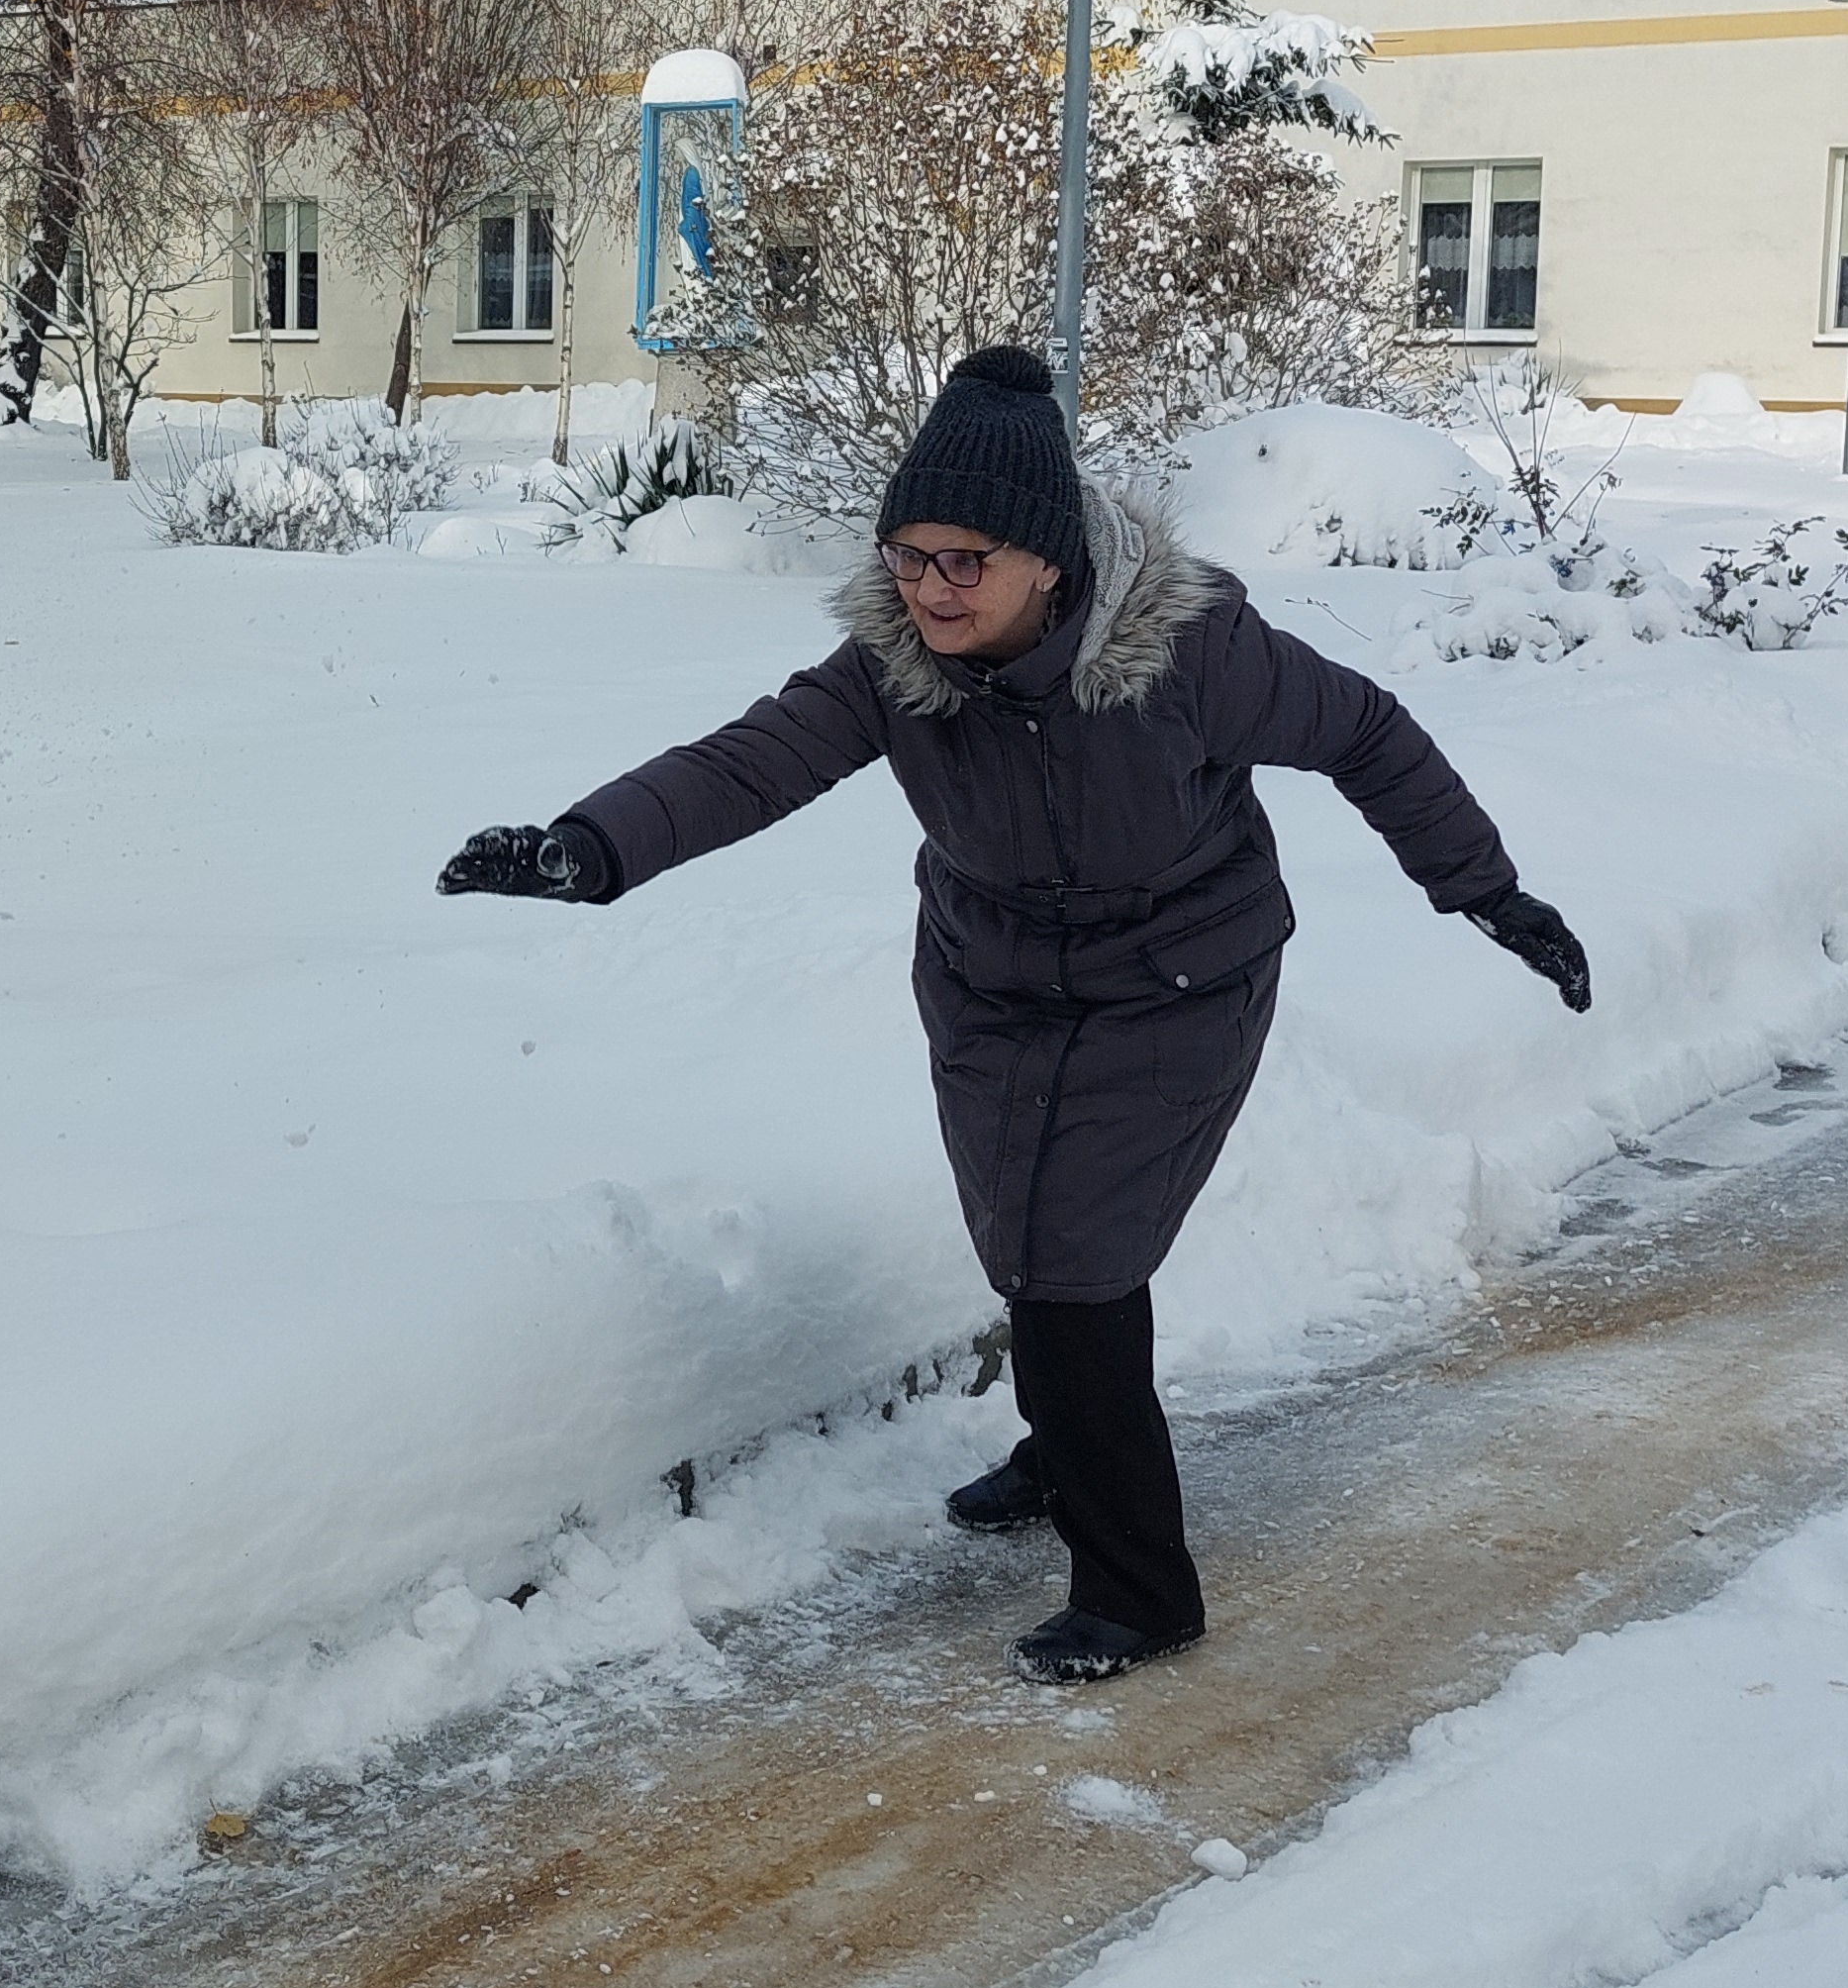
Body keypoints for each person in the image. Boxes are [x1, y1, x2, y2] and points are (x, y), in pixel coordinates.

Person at [440, 348, 1586, 1684]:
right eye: (910, 557)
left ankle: (1140, 1587)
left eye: (964, 562)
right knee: (1031, 1237)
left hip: (1180, 978)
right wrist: (594, 848)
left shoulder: (1196, 650)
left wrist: (1488, 895)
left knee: (1076, 1259)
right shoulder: (892, 662)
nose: (929, 589)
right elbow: (751, 762)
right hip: (990, 983)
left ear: (1047, 562)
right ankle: (1063, 1452)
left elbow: (1370, 735)